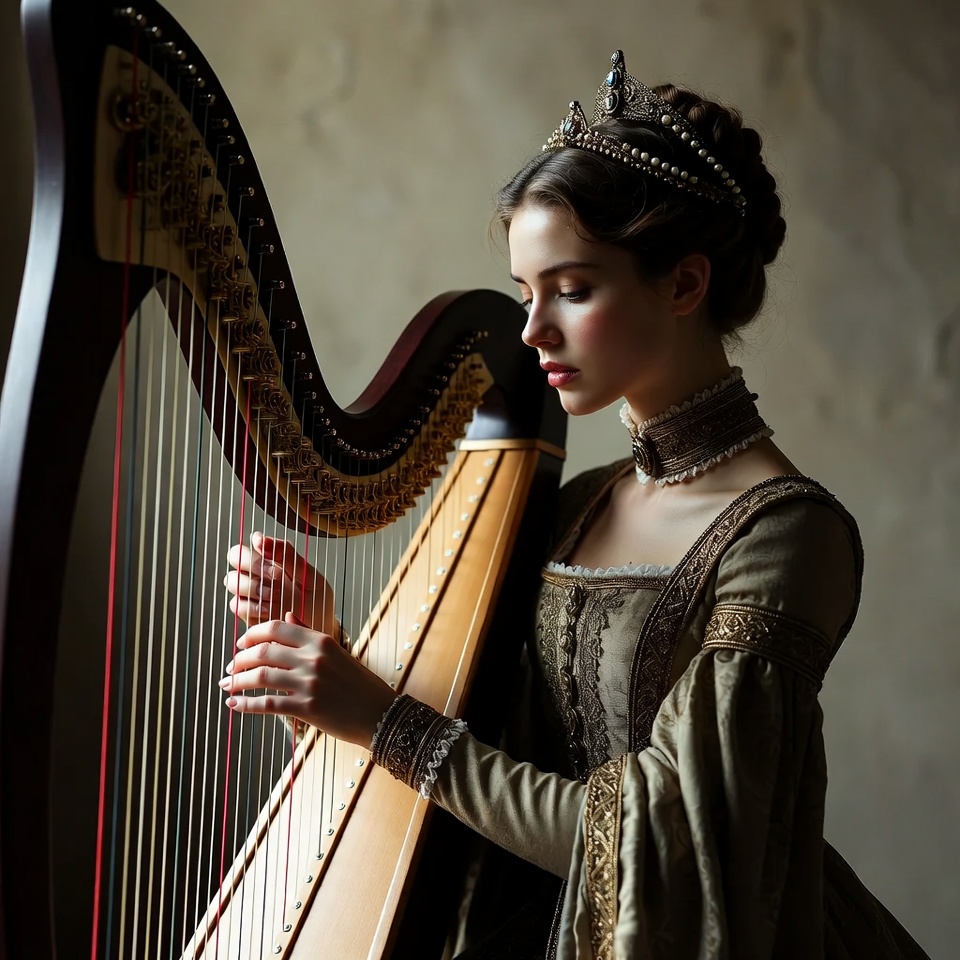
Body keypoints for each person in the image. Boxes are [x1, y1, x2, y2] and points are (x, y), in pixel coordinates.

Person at [219, 51, 929, 959]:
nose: (532, 331)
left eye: (573, 289)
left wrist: (380, 718)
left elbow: (661, 850)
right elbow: (494, 764)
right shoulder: (580, 504)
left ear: (683, 284)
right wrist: (328, 660)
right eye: (525, 293)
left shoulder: (787, 532)